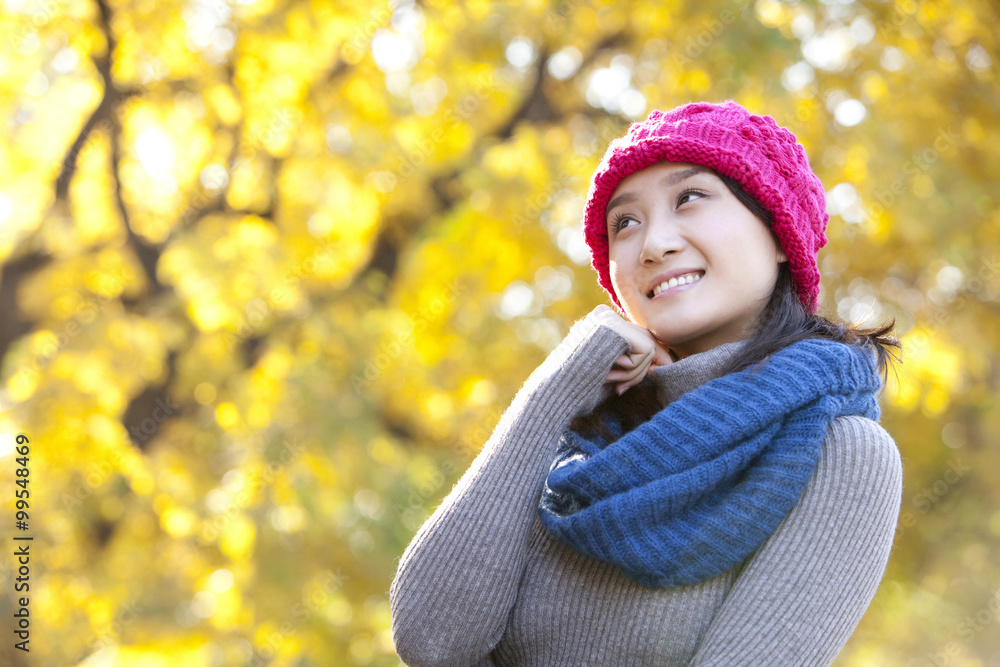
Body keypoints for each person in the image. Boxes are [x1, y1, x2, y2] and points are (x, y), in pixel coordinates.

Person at [389, 100, 903, 666]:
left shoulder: (843, 452)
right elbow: (431, 640)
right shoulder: (584, 439)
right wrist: (556, 391)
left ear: (780, 234)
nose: (654, 244)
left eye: (690, 199)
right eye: (625, 223)